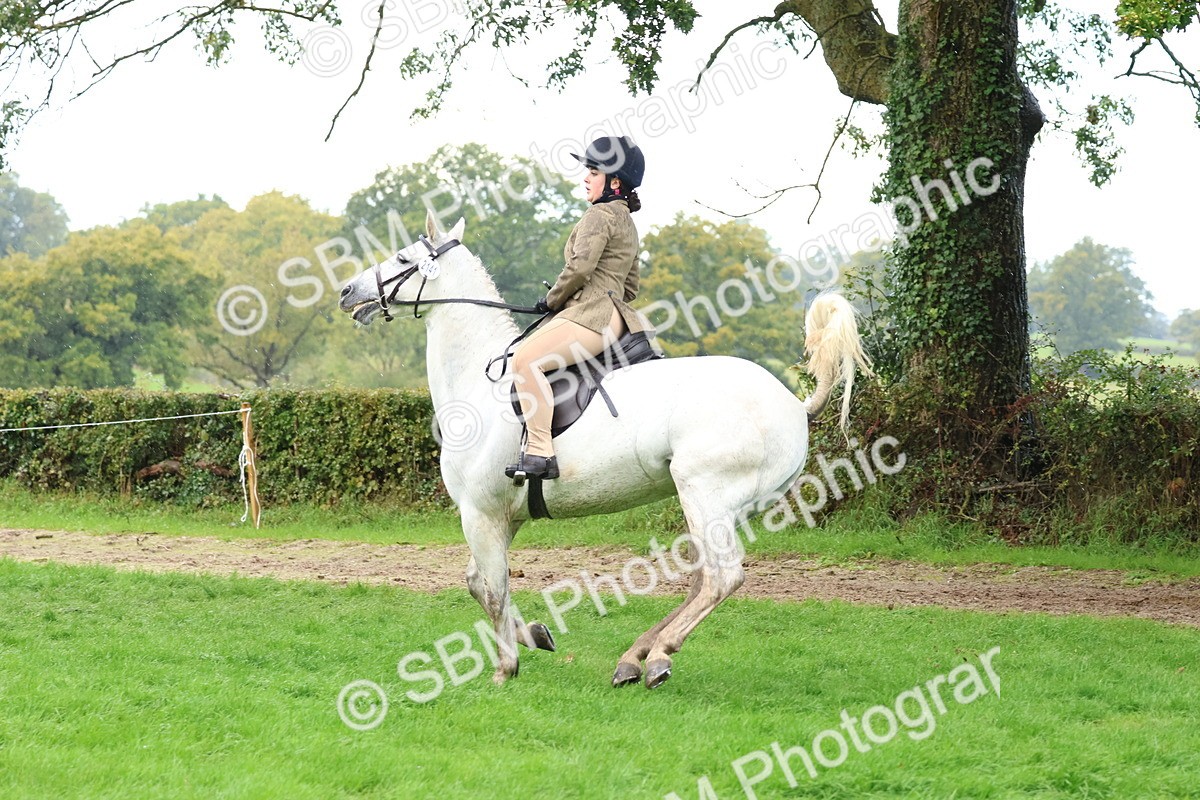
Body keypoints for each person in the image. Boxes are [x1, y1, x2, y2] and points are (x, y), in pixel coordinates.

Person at [504, 135, 649, 482]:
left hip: (592, 315)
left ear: (614, 181)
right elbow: (631, 287)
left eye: (593, 171)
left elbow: (581, 268)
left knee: (524, 360)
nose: (586, 177)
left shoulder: (599, 214)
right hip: (618, 319)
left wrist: (553, 300)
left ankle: (539, 451)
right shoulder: (626, 221)